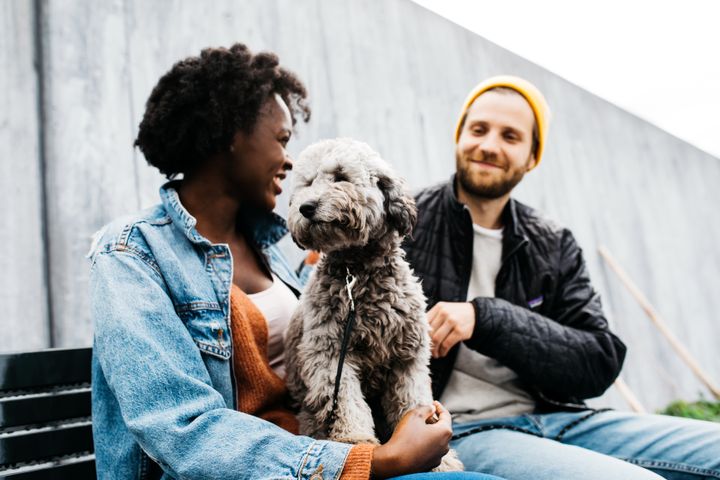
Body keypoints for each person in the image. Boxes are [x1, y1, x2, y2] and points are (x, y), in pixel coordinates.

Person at [88, 43, 503, 480]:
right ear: (230, 134)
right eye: (282, 139)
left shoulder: (271, 252)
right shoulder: (130, 253)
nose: (288, 160)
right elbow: (181, 430)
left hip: (311, 456)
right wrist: (376, 461)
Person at [403, 75, 720, 480]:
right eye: (478, 129)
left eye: (510, 136)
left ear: (532, 156)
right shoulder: (403, 221)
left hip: (563, 420)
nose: (488, 145)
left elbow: (599, 360)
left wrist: (487, 319)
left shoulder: (551, 242)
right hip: (461, 428)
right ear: (459, 135)